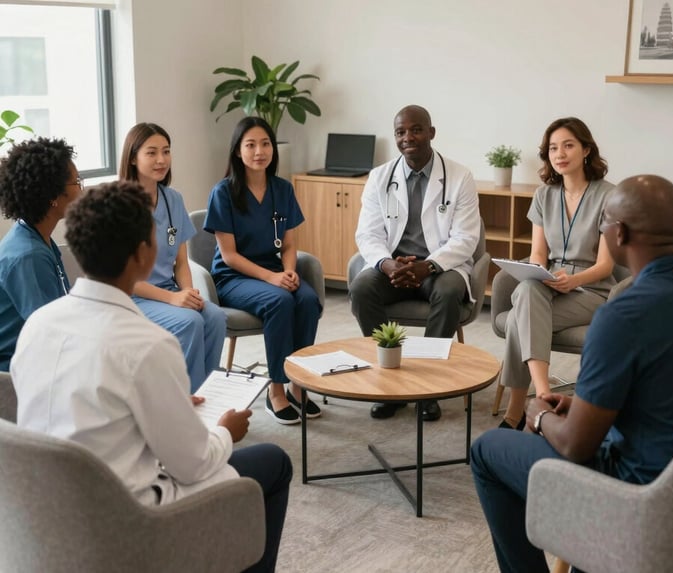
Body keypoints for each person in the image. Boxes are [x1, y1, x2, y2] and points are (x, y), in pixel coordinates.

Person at [471, 175, 673, 573]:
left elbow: (575, 446)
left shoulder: (622, 316)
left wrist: (540, 415)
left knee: (487, 450)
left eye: (604, 222)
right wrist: (584, 405)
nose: (602, 228)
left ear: (618, 233)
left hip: (639, 496)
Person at [11, 181, 292, 573]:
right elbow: (193, 466)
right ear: (145, 253)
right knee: (275, 463)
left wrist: (169, 403)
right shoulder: (148, 344)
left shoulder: (38, 325)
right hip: (134, 525)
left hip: (48, 519)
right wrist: (227, 430)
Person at [349, 105, 481, 422]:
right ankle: (390, 381)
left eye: (416, 129)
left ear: (431, 132)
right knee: (363, 287)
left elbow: (466, 238)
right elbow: (367, 234)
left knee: (449, 292)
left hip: (440, 268)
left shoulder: (460, 176)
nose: (408, 137)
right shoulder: (380, 177)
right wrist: (385, 264)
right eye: (400, 132)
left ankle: (427, 387)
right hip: (393, 267)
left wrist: (429, 266)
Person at [498, 117, 615, 430]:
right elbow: (539, 254)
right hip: (549, 284)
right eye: (553, 148)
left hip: (593, 290)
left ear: (586, 150)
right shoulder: (543, 195)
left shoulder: (609, 196)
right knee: (526, 292)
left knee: (516, 319)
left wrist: (574, 280)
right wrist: (538, 273)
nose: (560, 153)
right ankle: (545, 396)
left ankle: (517, 409)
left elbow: (606, 265)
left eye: (568, 145)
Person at [205, 117, 321, 425]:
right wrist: (272, 278)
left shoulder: (282, 189)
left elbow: (290, 244)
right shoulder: (224, 193)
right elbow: (228, 256)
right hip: (234, 278)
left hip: (274, 272)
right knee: (279, 301)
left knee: (307, 300)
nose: (260, 151)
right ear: (237, 151)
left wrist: (290, 271)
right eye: (251, 144)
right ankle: (276, 390)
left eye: (266, 143)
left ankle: (299, 384)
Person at [119, 122, 226, 392]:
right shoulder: (118, 203)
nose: (161, 160)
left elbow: (180, 262)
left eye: (166, 151)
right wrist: (174, 299)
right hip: (132, 297)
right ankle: (187, 405)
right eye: (152, 153)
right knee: (189, 322)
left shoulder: (172, 199)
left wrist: (188, 293)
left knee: (213, 317)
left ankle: (204, 394)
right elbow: (124, 278)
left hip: (168, 291)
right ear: (133, 157)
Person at [0, 137, 81, 370]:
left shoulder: (35, 236)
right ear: (53, 197)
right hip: (16, 373)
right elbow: (51, 334)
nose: (81, 190)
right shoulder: (28, 256)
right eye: (76, 183)